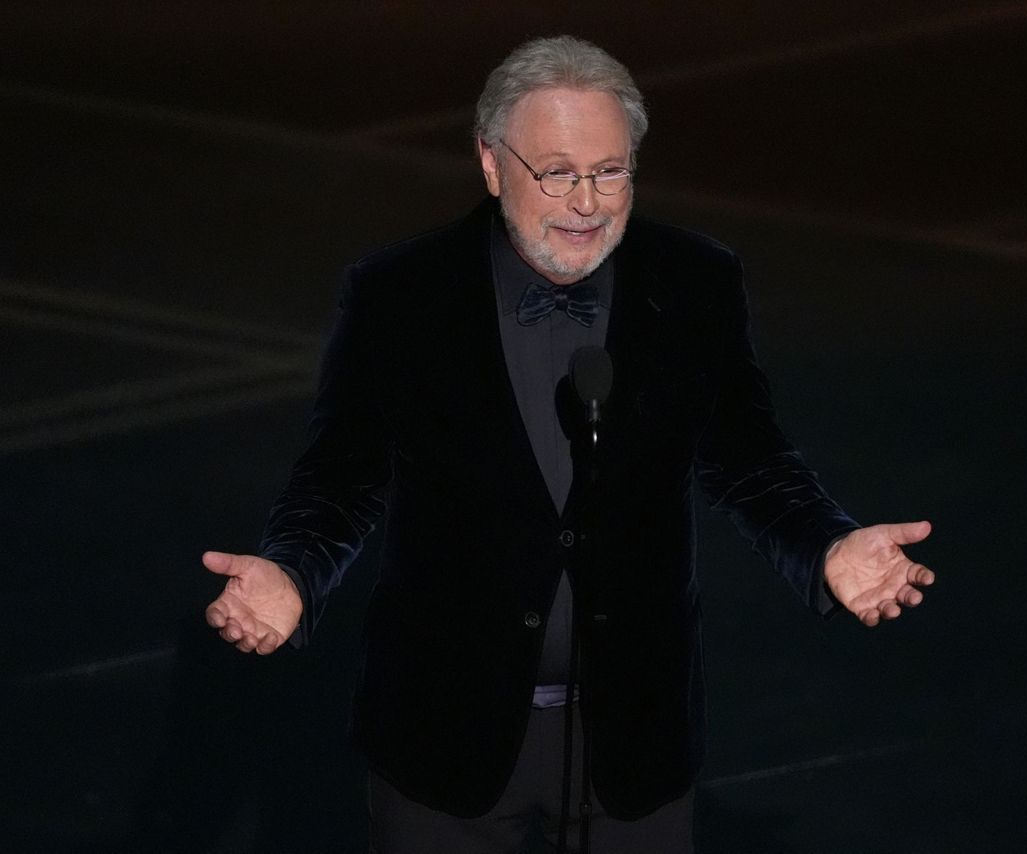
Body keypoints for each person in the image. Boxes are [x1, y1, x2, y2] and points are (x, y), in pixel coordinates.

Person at [203, 35, 935, 854]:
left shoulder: (694, 282)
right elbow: (341, 477)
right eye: (556, 173)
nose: (587, 202)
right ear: (491, 163)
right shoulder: (400, 295)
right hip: (445, 735)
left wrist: (826, 546)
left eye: (610, 171)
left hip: (633, 736)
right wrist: (295, 571)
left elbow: (749, 458)